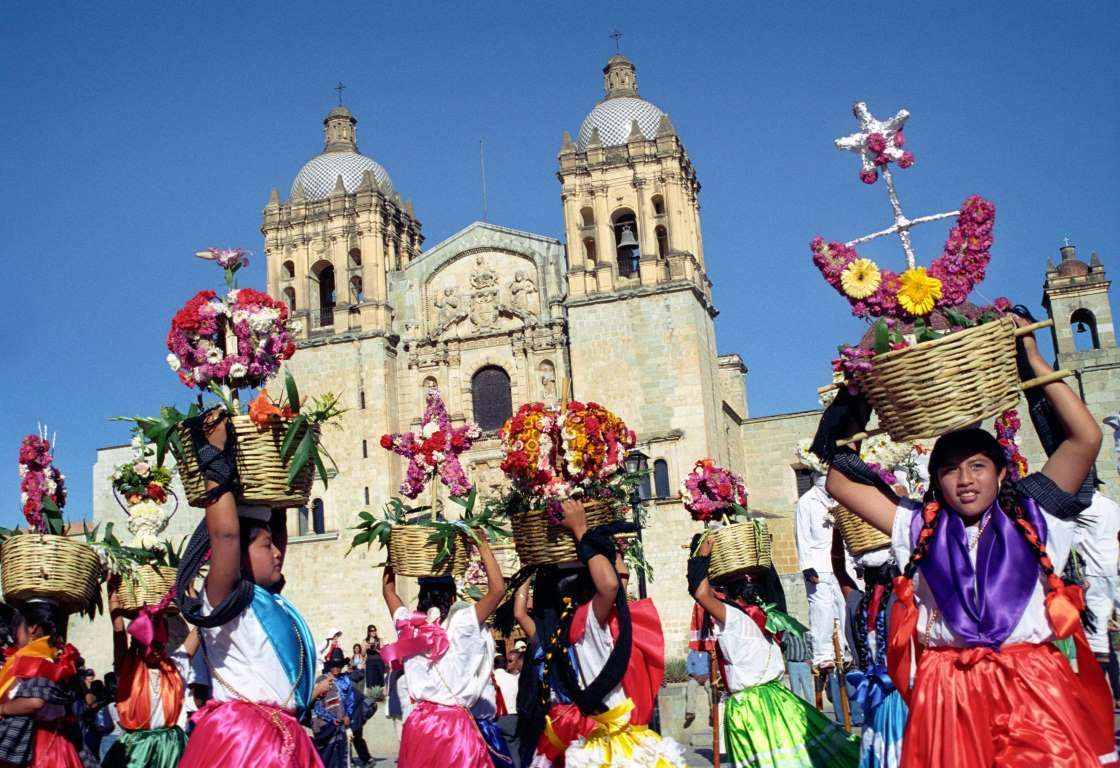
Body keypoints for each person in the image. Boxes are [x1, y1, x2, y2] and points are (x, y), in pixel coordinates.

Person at [821, 316, 1115, 767]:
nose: (965, 481)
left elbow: (1085, 437)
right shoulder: (918, 526)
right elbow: (840, 481)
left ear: (1000, 473)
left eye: (977, 467)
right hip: (949, 691)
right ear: (937, 480)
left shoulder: (1036, 513)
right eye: (951, 470)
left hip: (1031, 684)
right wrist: (859, 385)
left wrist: (1030, 357)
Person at [174, 410, 321, 768]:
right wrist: (215, 457)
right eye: (266, 545)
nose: (277, 553)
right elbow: (225, 535)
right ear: (238, 555)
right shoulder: (225, 599)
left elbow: (274, 530)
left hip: (285, 741)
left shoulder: (271, 602)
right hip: (244, 744)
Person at [514, 501, 686, 767]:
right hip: (610, 741)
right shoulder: (586, 620)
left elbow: (616, 582)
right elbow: (609, 585)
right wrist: (582, 531)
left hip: (615, 733)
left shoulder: (596, 620)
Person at [687, 537, 859, 767]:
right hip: (780, 698)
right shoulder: (770, 618)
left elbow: (701, 594)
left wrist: (699, 559)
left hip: (751, 707)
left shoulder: (734, 617)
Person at [380, 530, 505, 768]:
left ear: (421, 596)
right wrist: (483, 544)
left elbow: (388, 591)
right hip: (453, 725)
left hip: (420, 725)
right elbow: (497, 590)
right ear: (451, 597)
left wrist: (393, 549)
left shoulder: (409, 625)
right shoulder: (464, 622)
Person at [103, 580, 199, 768]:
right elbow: (119, 633)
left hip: (170, 749)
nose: (157, 650)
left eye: (160, 645)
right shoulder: (128, 668)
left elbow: (199, 631)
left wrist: (194, 603)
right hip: (137, 750)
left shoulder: (174, 667)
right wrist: (113, 596)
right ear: (139, 644)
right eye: (152, 645)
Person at [0, 600, 97, 768]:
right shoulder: (57, 657)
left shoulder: (37, 660)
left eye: (19, 627)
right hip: (58, 741)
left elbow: (34, 702)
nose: (15, 633)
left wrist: (2, 709)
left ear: (33, 629)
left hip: (39, 747)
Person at [795, 471, 851, 712]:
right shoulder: (806, 502)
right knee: (821, 609)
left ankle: (848, 649)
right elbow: (801, 535)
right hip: (818, 565)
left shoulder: (840, 498)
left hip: (840, 564)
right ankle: (822, 653)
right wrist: (806, 565)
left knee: (845, 607)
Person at [1075, 491, 1120, 685]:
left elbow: (1075, 541)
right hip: (1113, 570)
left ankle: (1096, 687)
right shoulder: (1111, 505)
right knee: (1106, 635)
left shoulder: (1081, 508)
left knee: (1098, 637)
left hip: (1093, 574)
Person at [310, 648, 357, 768]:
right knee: (327, 757)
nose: (336, 668)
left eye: (339, 665)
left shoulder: (346, 680)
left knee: (343, 757)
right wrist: (332, 719)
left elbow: (350, 701)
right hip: (326, 727)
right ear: (329, 666)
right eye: (333, 665)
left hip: (342, 726)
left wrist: (348, 715)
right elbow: (316, 706)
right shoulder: (322, 681)